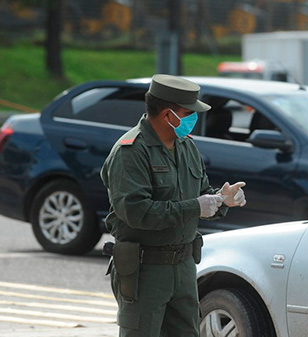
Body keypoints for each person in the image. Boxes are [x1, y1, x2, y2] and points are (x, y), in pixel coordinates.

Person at [100, 74, 246, 337]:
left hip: (184, 266)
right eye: (188, 113)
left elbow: (201, 193)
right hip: (146, 269)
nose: (194, 119)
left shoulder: (186, 146)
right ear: (168, 115)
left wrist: (223, 199)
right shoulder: (130, 151)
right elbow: (137, 212)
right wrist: (195, 207)